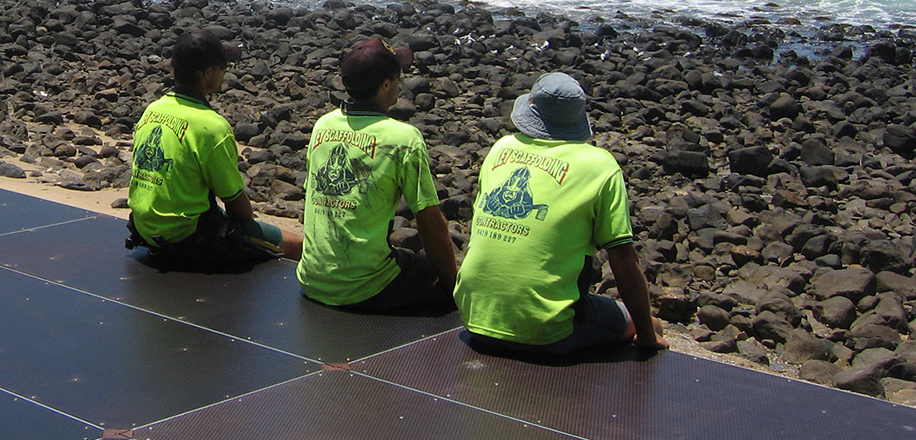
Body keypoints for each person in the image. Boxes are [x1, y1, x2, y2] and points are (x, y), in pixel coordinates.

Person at [454, 72, 667, 354]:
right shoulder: (599, 165)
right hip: (548, 331)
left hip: (473, 318)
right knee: (648, 323)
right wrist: (649, 336)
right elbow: (623, 259)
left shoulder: (500, 149)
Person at [297, 38, 457, 310]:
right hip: (363, 289)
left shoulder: (323, 125)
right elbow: (429, 224)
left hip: (311, 279)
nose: (399, 83)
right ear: (385, 84)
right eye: (397, 77)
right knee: (437, 276)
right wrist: (456, 288)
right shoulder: (403, 138)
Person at [127, 29, 302, 270]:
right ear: (208, 73)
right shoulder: (211, 127)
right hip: (186, 238)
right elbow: (237, 207)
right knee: (296, 244)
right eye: (223, 66)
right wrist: (248, 228)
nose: (226, 71)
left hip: (145, 230)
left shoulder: (153, 110)